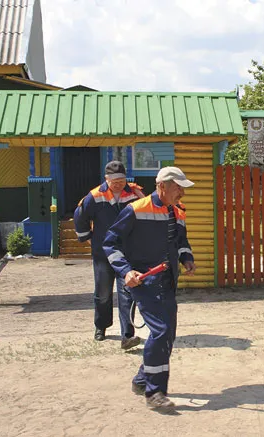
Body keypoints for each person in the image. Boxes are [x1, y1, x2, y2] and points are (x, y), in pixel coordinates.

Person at [103, 166, 197, 411]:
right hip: (143, 281)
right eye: (178, 188)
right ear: (162, 186)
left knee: (168, 336)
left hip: (167, 281)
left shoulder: (178, 211)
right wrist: (126, 271)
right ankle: (154, 392)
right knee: (161, 331)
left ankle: (142, 379)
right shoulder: (135, 210)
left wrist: (186, 257)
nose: (182, 194)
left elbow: (181, 241)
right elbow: (110, 244)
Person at [74, 161, 144, 349]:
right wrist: (89, 239)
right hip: (103, 254)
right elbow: (80, 216)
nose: (118, 184)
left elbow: (144, 214)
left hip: (127, 253)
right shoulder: (95, 195)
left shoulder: (134, 194)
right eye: (114, 181)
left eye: (121, 180)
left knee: (127, 292)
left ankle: (127, 335)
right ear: (106, 179)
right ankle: (101, 326)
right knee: (103, 293)